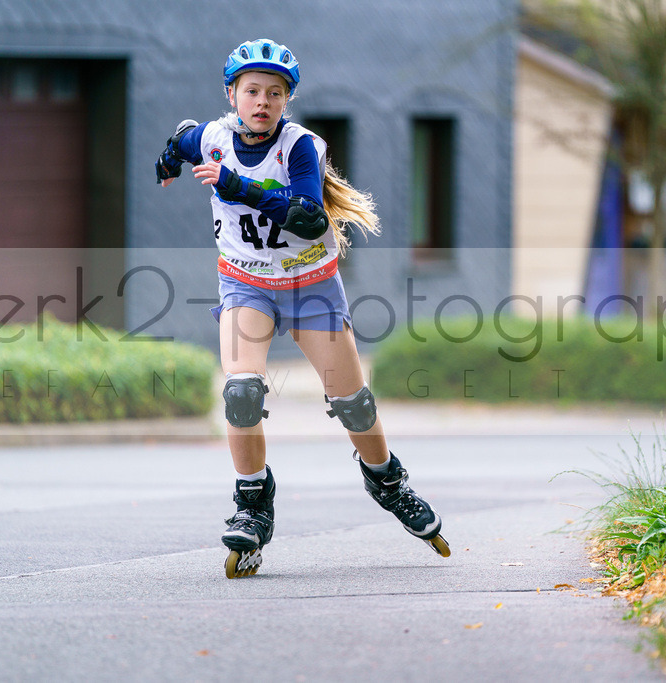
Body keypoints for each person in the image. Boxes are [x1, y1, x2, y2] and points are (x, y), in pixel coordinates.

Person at [155, 38, 449, 578]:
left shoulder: (300, 147)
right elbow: (180, 141)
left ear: (287, 100)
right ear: (232, 95)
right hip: (246, 284)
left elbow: (310, 218)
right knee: (241, 392)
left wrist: (237, 186)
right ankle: (252, 503)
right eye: (252, 91)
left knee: (353, 404)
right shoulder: (211, 138)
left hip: (311, 285)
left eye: (275, 93)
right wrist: (168, 162)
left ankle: (387, 480)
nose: (262, 102)